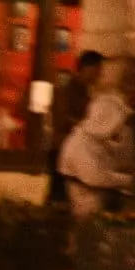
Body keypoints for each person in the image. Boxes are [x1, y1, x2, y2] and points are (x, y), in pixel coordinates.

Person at [59, 64, 135, 219]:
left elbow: (121, 155)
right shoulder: (84, 141)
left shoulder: (102, 135)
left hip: (99, 196)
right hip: (87, 200)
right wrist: (131, 179)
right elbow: (95, 176)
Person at [47, 49, 104, 204]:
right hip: (63, 150)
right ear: (87, 68)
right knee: (60, 198)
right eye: (98, 70)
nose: (100, 75)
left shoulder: (87, 94)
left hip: (78, 153)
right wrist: (88, 127)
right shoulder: (64, 91)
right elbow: (62, 120)